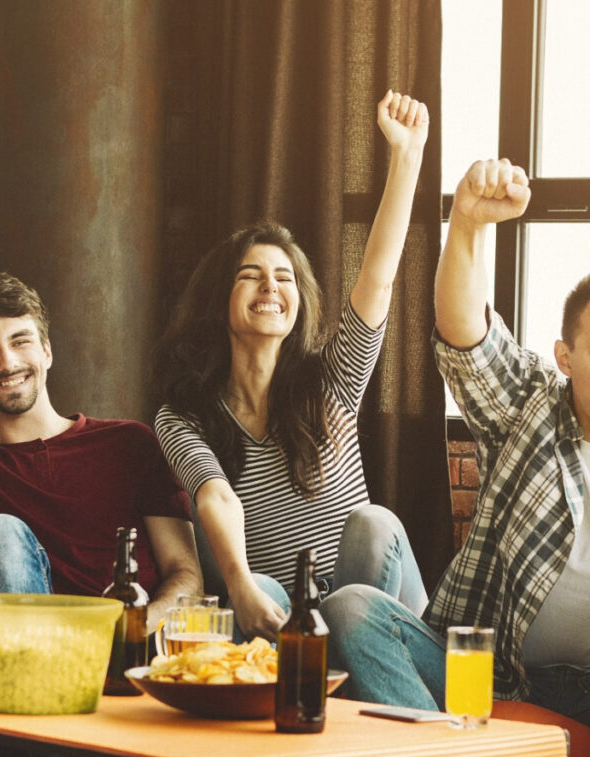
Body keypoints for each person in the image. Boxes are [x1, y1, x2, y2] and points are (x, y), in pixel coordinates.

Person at [323, 158, 590, 757]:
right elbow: (463, 329)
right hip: (485, 672)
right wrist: (467, 221)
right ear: (565, 358)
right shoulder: (531, 406)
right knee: (350, 606)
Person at [153, 89, 430, 642]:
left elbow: (377, 277)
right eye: (251, 274)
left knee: (373, 525)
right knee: (263, 585)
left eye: (284, 278)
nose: (271, 287)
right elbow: (215, 495)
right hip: (280, 609)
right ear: (219, 299)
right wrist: (239, 585)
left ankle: (354, 662)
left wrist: (407, 156)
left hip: (367, 600)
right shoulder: (183, 415)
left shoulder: (331, 378)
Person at [0, 217, 202, 676]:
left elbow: (185, 574)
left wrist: (138, 626)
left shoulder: (130, 442)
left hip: (130, 658)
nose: (8, 362)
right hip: (26, 671)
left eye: (20, 341)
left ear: (46, 352)